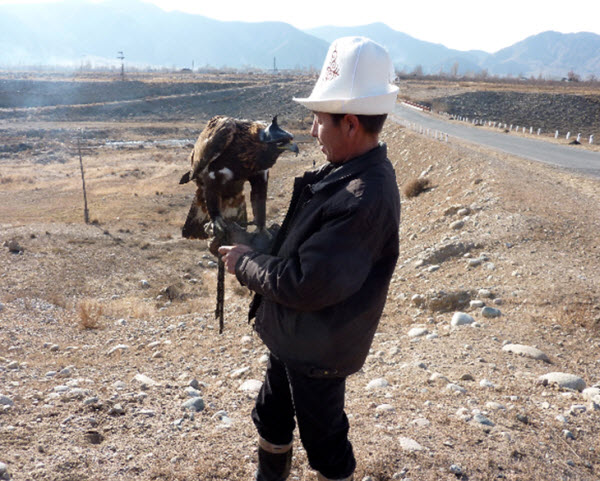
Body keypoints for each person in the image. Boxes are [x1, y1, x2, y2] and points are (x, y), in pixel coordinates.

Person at [219, 36, 401, 481]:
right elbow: (305, 246)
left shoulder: (362, 197)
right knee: (272, 416)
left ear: (351, 124)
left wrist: (245, 263)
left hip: (321, 349)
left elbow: (305, 282)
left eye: (319, 120)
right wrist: (256, 241)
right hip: (295, 336)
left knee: (325, 443)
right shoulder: (344, 174)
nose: (314, 131)